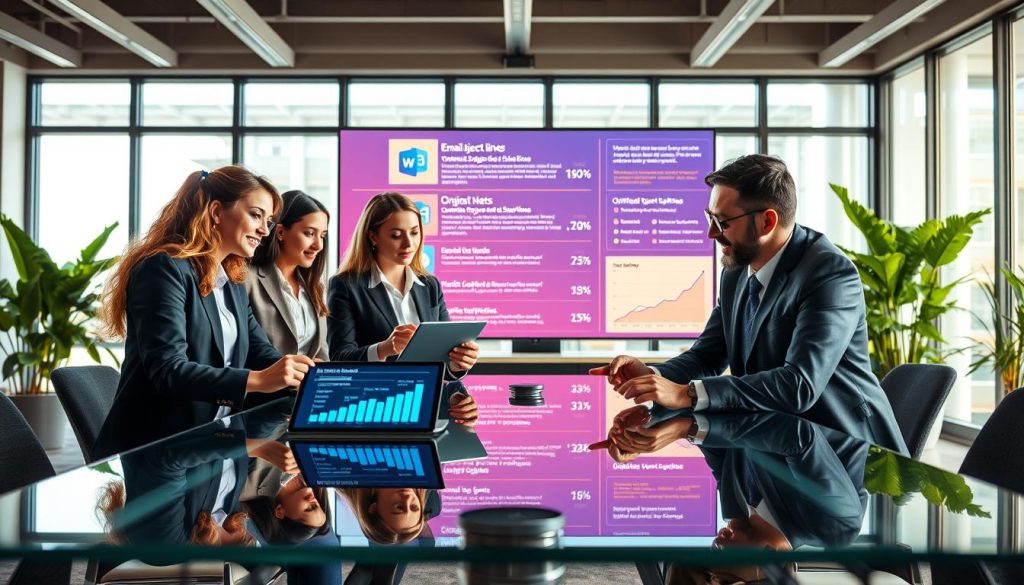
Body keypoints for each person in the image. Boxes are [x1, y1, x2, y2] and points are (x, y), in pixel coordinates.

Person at [590, 154, 907, 454]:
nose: (711, 232)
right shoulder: (737, 271)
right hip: (775, 441)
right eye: (710, 217)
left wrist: (684, 393)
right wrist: (654, 375)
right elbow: (708, 354)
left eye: (723, 222)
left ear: (768, 222)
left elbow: (798, 386)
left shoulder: (829, 274)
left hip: (847, 452)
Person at [94, 165, 316, 460]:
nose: (266, 230)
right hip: (154, 451)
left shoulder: (232, 283)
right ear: (215, 212)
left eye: (269, 220)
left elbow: (261, 353)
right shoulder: (163, 268)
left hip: (211, 443)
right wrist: (261, 380)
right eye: (256, 215)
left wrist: (310, 378)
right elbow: (169, 370)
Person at [327, 192, 479, 425]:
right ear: (373, 237)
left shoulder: (429, 285)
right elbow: (339, 359)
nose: (409, 244)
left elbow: (444, 361)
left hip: (428, 408)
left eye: (414, 233)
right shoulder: (346, 285)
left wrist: (458, 363)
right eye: (396, 235)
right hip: (374, 411)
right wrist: (384, 348)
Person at [246, 190, 331, 363]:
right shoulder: (248, 279)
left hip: (308, 386)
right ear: (280, 232)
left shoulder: (314, 287)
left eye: (322, 235)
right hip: (267, 386)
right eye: (309, 233)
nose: (318, 245)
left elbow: (321, 353)